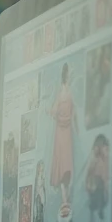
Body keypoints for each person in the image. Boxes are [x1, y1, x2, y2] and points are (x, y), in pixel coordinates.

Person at [48, 63, 78, 207]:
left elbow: (56, 112)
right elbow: (70, 114)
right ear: (66, 76)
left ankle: (65, 198)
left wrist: (51, 112)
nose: (71, 76)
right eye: (70, 74)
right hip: (63, 133)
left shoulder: (63, 94)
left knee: (63, 164)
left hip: (64, 133)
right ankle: (65, 199)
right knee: (64, 164)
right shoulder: (64, 94)